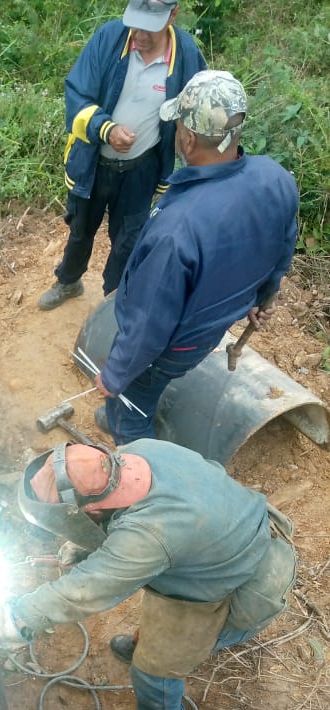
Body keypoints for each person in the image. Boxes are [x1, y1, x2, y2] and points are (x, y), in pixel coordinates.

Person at [0, 440, 297, 710]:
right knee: (160, 622)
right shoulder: (142, 450)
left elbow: (80, 593)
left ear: (90, 508)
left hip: (239, 584)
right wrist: (90, 545)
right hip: (227, 535)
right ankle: (150, 645)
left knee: (157, 667)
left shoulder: (148, 540)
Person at [94, 69, 299, 444]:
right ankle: (132, 403)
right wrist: (258, 297)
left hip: (170, 347)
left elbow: (149, 322)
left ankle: (139, 453)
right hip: (208, 334)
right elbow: (281, 251)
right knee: (145, 387)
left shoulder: (178, 228)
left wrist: (116, 375)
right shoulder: (275, 179)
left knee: (131, 405)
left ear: (188, 139)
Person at [38, 0, 205, 311]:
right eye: (135, 23)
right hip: (93, 163)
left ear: (173, 14)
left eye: (149, 27)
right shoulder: (109, 38)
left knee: (128, 242)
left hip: (141, 170)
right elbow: (76, 95)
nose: (139, 34)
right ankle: (68, 281)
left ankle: (114, 304)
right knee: (80, 230)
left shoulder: (186, 54)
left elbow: (196, 108)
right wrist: (106, 129)